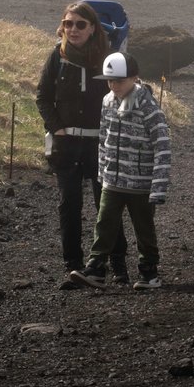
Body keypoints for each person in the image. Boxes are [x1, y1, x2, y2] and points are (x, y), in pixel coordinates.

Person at [36, 1, 127, 288]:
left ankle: (117, 264)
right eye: (67, 23)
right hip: (67, 144)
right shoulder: (57, 56)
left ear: (92, 28)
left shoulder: (109, 57)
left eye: (79, 24)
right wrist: (57, 128)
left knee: (108, 205)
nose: (72, 29)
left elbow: (125, 94)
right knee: (69, 205)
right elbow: (42, 95)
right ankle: (73, 268)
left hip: (102, 142)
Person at [72, 52, 171, 290]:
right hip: (112, 180)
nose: (114, 85)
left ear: (135, 78)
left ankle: (149, 272)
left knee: (144, 228)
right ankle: (95, 268)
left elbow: (162, 146)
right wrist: (103, 172)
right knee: (104, 223)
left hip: (140, 183)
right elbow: (104, 138)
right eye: (110, 80)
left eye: (119, 80)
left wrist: (158, 187)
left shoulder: (149, 107)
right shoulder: (107, 101)